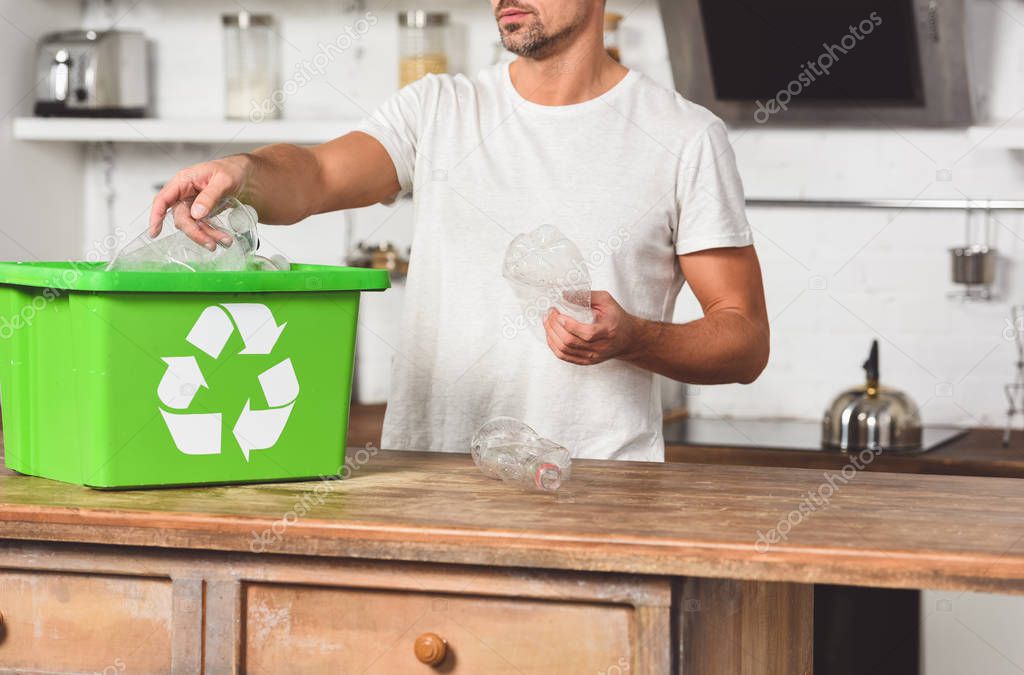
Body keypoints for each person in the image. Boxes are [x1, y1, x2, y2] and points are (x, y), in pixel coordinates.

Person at [149, 0, 769, 462]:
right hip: (432, 477)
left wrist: (633, 337)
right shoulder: (439, 108)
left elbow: (743, 339)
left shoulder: (685, 137)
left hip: (598, 486)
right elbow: (314, 175)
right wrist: (241, 171)